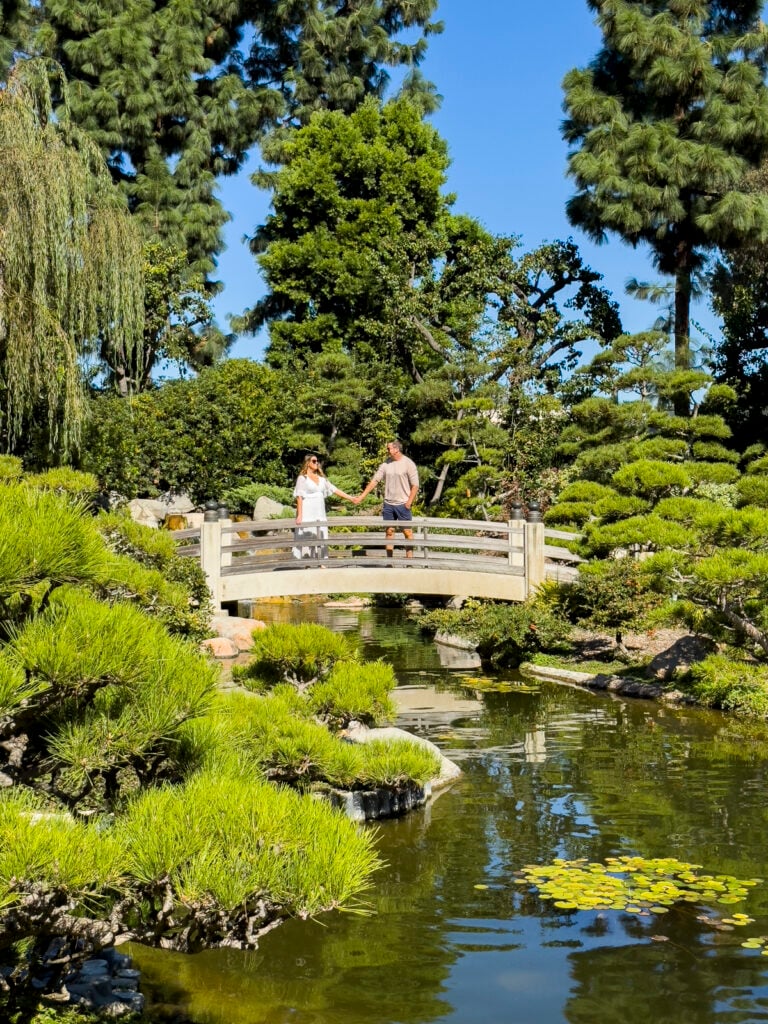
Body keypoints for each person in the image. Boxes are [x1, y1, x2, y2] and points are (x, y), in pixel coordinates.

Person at [355, 440, 419, 559]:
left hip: (403, 504)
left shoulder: (408, 464)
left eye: (388, 448)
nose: (387, 450)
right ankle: (389, 561)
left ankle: (410, 559)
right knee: (389, 532)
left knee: (407, 532)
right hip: (388, 504)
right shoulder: (385, 464)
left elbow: (415, 485)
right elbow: (375, 481)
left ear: (396, 449)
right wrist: (362, 496)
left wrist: (409, 503)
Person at [292, 455, 356, 560]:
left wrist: (351, 498)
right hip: (307, 514)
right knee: (307, 537)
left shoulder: (322, 479)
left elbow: (334, 489)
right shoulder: (302, 478)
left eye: (317, 461)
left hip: (320, 513)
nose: (316, 463)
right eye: (314, 461)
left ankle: (322, 562)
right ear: (307, 463)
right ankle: (306, 563)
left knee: (321, 536)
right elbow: (299, 497)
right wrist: (300, 515)